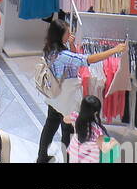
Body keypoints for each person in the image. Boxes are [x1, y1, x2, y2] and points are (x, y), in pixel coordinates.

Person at [35, 16, 126, 162]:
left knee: (50, 126)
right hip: (67, 100)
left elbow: (74, 59)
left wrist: (71, 45)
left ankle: (42, 157)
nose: (70, 34)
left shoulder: (50, 49)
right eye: (67, 33)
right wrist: (114, 50)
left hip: (54, 97)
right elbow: (86, 60)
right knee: (68, 132)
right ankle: (68, 160)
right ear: (60, 35)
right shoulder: (63, 55)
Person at [68, 96, 110, 164]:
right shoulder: (97, 129)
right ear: (96, 113)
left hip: (75, 151)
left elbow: (65, 119)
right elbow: (103, 147)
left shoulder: (75, 116)